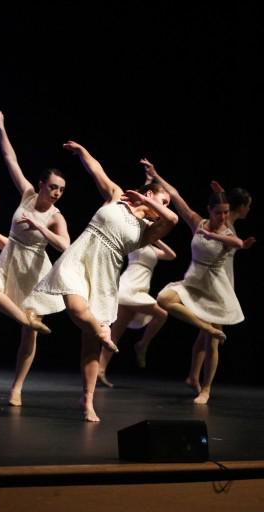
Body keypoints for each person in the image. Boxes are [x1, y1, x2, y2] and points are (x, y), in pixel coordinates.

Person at [33, 142, 179, 421]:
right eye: (162, 200)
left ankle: (87, 401)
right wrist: (82, 151)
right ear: (149, 193)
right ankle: (103, 332)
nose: (163, 207)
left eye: (163, 204)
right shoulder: (117, 196)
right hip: (79, 258)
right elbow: (96, 170)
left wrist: (150, 203)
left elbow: (172, 219)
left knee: (89, 344)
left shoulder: (148, 231)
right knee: (77, 310)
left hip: (106, 274)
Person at [0, 110, 68, 406]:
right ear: (41, 184)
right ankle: (21, 316)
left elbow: (65, 245)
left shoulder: (55, 216)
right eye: (53, 187)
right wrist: (1, 127)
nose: (56, 193)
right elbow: (10, 159)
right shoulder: (27, 194)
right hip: (8, 261)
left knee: (29, 335)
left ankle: (17, 388)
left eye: (61, 190)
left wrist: (41, 226)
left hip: (34, 271)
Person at [149, 160, 255, 405]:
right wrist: (156, 174)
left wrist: (212, 233)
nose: (224, 216)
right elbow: (175, 196)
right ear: (209, 210)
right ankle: (203, 331)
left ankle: (206, 389)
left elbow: (238, 244)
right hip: (194, 281)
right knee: (164, 300)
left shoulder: (228, 232)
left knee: (213, 344)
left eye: (227, 212)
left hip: (217, 287)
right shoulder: (197, 221)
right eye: (219, 212)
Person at [96, 239, 176, 387]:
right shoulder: (136, 243)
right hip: (129, 286)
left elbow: (171, 255)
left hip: (140, 289)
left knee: (115, 335)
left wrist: (157, 239)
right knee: (161, 314)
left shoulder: (154, 250)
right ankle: (142, 345)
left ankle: (101, 370)